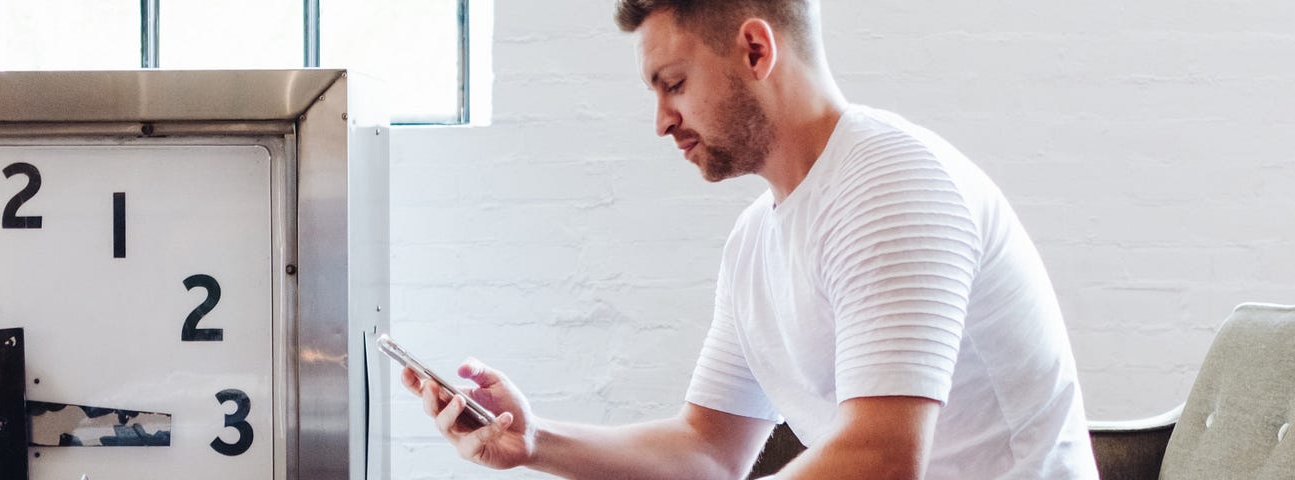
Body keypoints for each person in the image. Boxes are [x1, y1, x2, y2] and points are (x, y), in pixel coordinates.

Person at [402, 1, 1099, 478]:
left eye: (672, 84)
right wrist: (535, 441)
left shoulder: (892, 183)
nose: (661, 121)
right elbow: (709, 449)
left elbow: (883, 457)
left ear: (756, 48)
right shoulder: (755, 240)